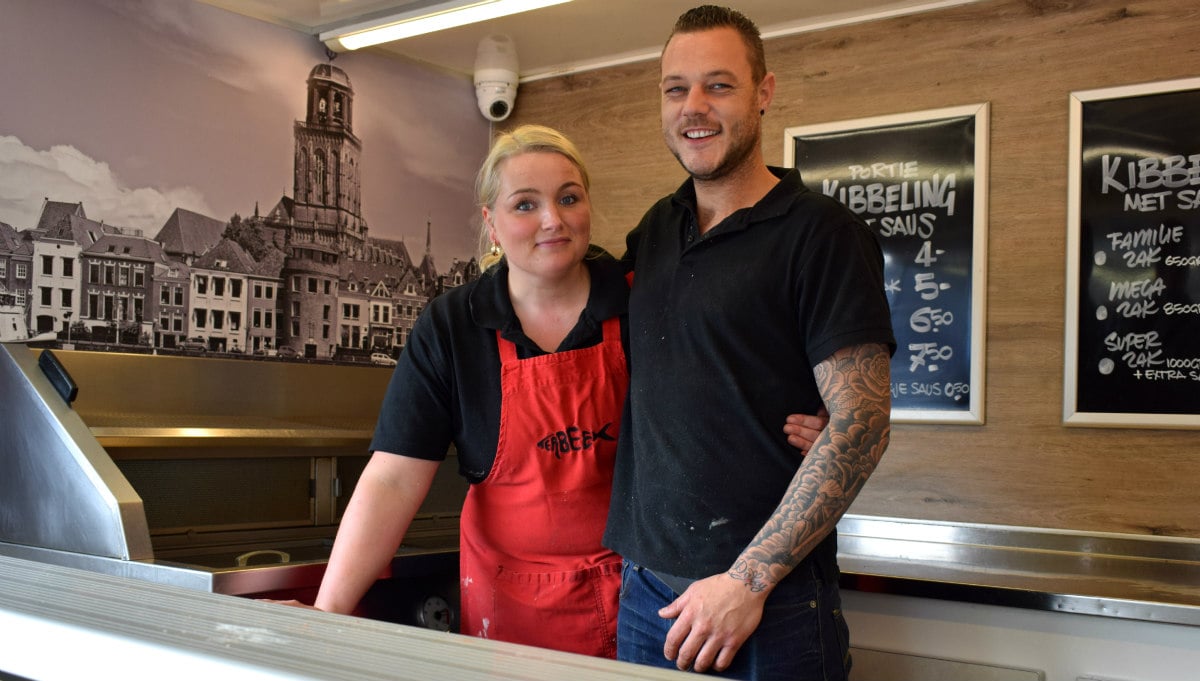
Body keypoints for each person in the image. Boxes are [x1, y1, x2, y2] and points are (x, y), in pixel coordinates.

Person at [605, 6, 896, 681]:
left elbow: (863, 423)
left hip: (769, 605)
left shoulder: (822, 235)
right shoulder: (657, 227)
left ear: (764, 92)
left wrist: (747, 582)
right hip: (649, 597)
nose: (694, 106)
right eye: (676, 88)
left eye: (719, 85)